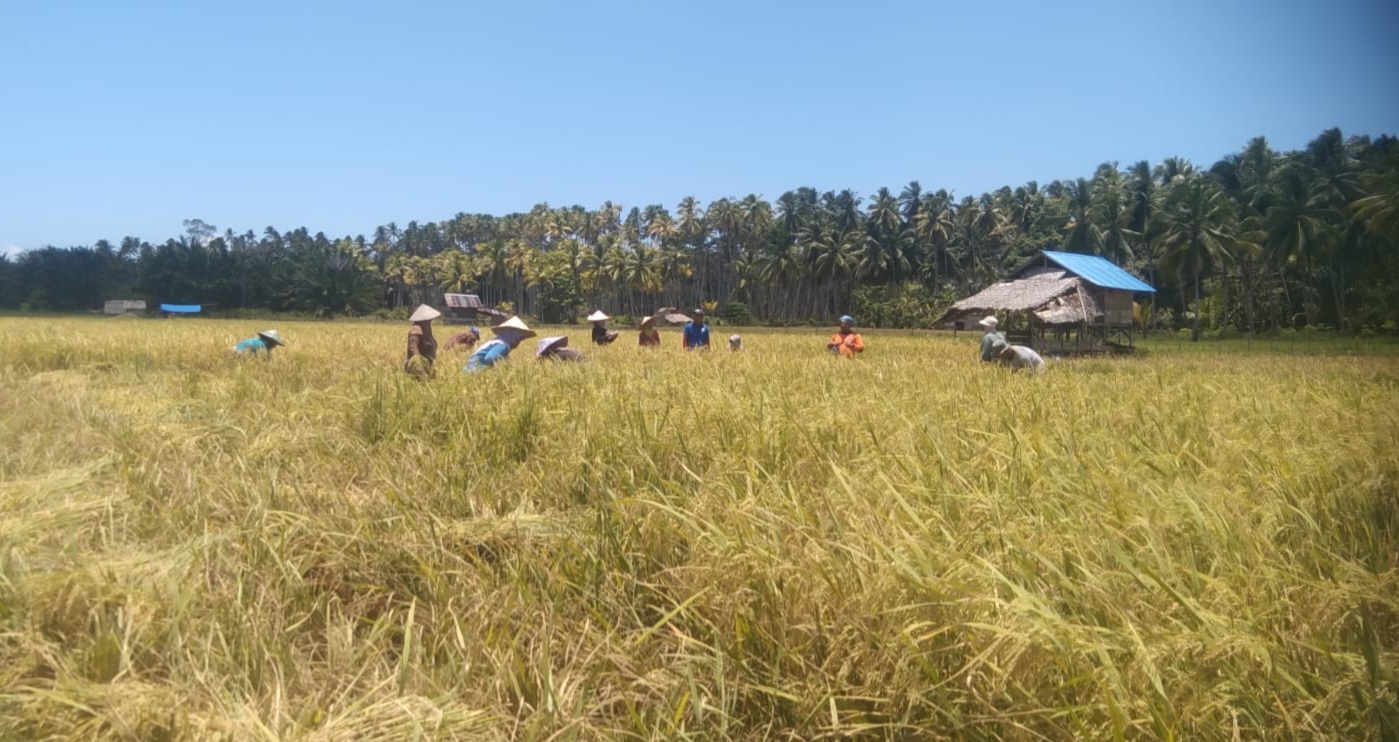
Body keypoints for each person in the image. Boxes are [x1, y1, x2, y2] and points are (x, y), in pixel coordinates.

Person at [464, 315, 537, 372]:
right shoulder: (502, 345)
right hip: (475, 371)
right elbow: (489, 359)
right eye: (519, 339)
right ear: (513, 337)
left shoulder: (497, 341)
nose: (518, 343)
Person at [405, 304, 441, 378]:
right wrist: (420, 370)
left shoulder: (427, 330)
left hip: (428, 368)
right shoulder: (416, 329)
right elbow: (413, 349)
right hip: (418, 370)